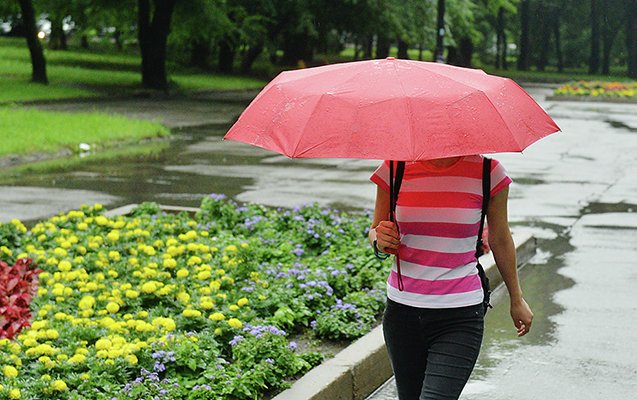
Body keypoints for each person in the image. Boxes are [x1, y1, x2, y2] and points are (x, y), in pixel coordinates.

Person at [368, 155, 533, 400]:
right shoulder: (395, 168)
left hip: (460, 315)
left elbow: (499, 238)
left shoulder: (489, 172)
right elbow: (375, 230)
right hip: (403, 314)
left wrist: (516, 299)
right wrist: (379, 240)